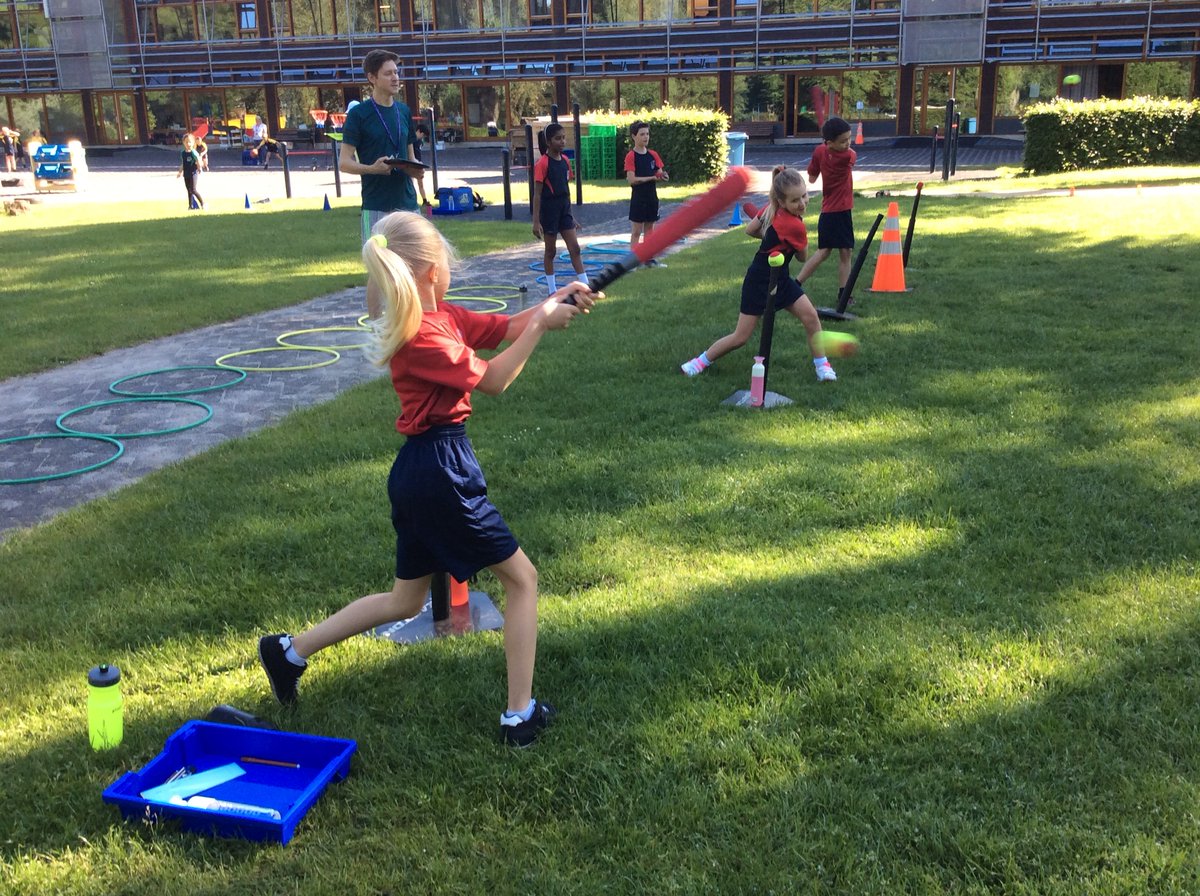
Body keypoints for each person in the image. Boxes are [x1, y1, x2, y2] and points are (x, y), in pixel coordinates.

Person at [257, 211, 600, 747]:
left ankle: (287, 653)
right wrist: (541, 325)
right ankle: (520, 715)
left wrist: (551, 303)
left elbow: (504, 329)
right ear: (433, 270)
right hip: (441, 472)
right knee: (523, 580)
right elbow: (495, 379)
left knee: (404, 601)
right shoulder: (419, 337)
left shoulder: (443, 317)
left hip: (422, 470)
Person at [680, 165, 837, 383]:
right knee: (741, 337)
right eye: (795, 200)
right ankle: (698, 363)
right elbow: (802, 257)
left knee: (811, 317)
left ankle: (822, 366)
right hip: (759, 282)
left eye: (804, 196)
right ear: (782, 201)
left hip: (779, 278)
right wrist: (788, 239)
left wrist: (772, 238)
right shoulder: (795, 226)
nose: (802, 203)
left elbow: (750, 230)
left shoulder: (769, 209)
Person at [339, 49, 424, 318]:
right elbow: (344, 162)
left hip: (407, 202)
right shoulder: (359, 114)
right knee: (379, 270)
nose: (395, 78)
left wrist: (416, 170)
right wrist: (372, 169)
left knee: (416, 265)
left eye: (397, 72)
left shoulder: (403, 111)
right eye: (388, 73)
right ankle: (377, 327)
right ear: (372, 78)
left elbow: (410, 156)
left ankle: (412, 324)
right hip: (376, 204)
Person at [793, 116, 856, 307]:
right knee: (845, 253)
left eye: (849, 139)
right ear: (829, 142)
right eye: (843, 141)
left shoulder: (819, 151)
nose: (848, 144)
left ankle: (796, 284)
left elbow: (812, 178)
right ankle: (844, 294)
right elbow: (850, 156)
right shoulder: (849, 157)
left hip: (827, 211)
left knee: (824, 251)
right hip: (842, 210)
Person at [532, 123, 589, 297]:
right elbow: (537, 194)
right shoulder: (542, 163)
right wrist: (536, 221)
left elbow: (565, 190)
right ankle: (552, 290)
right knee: (551, 251)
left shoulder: (565, 161)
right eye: (558, 138)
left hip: (564, 211)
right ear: (548, 142)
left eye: (564, 138)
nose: (562, 141)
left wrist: (571, 216)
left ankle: (586, 285)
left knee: (575, 248)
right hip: (549, 212)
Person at [624, 120, 669, 266]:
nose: (646, 137)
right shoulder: (631, 156)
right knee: (636, 231)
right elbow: (632, 179)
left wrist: (663, 176)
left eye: (647, 134)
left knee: (650, 230)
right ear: (634, 136)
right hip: (638, 198)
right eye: (642, 134)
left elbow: (659, 173)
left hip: (651, 197)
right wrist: (652, 177)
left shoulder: (653, 155)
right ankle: (632, 262)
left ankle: (649, 259)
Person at [176, 133, 205, 210]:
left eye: (190, 142)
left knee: (193, 189)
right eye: (186, 142)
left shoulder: (193, 152)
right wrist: (180, 172)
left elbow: (198, 161)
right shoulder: (183, 153)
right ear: (183, 143)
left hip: (193, 173)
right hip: (186, 173)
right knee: (189, 190)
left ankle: (203, 203)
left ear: (193, 143)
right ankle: (191, 206)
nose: (188, 144)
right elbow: (183, 163)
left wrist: (199, 168)